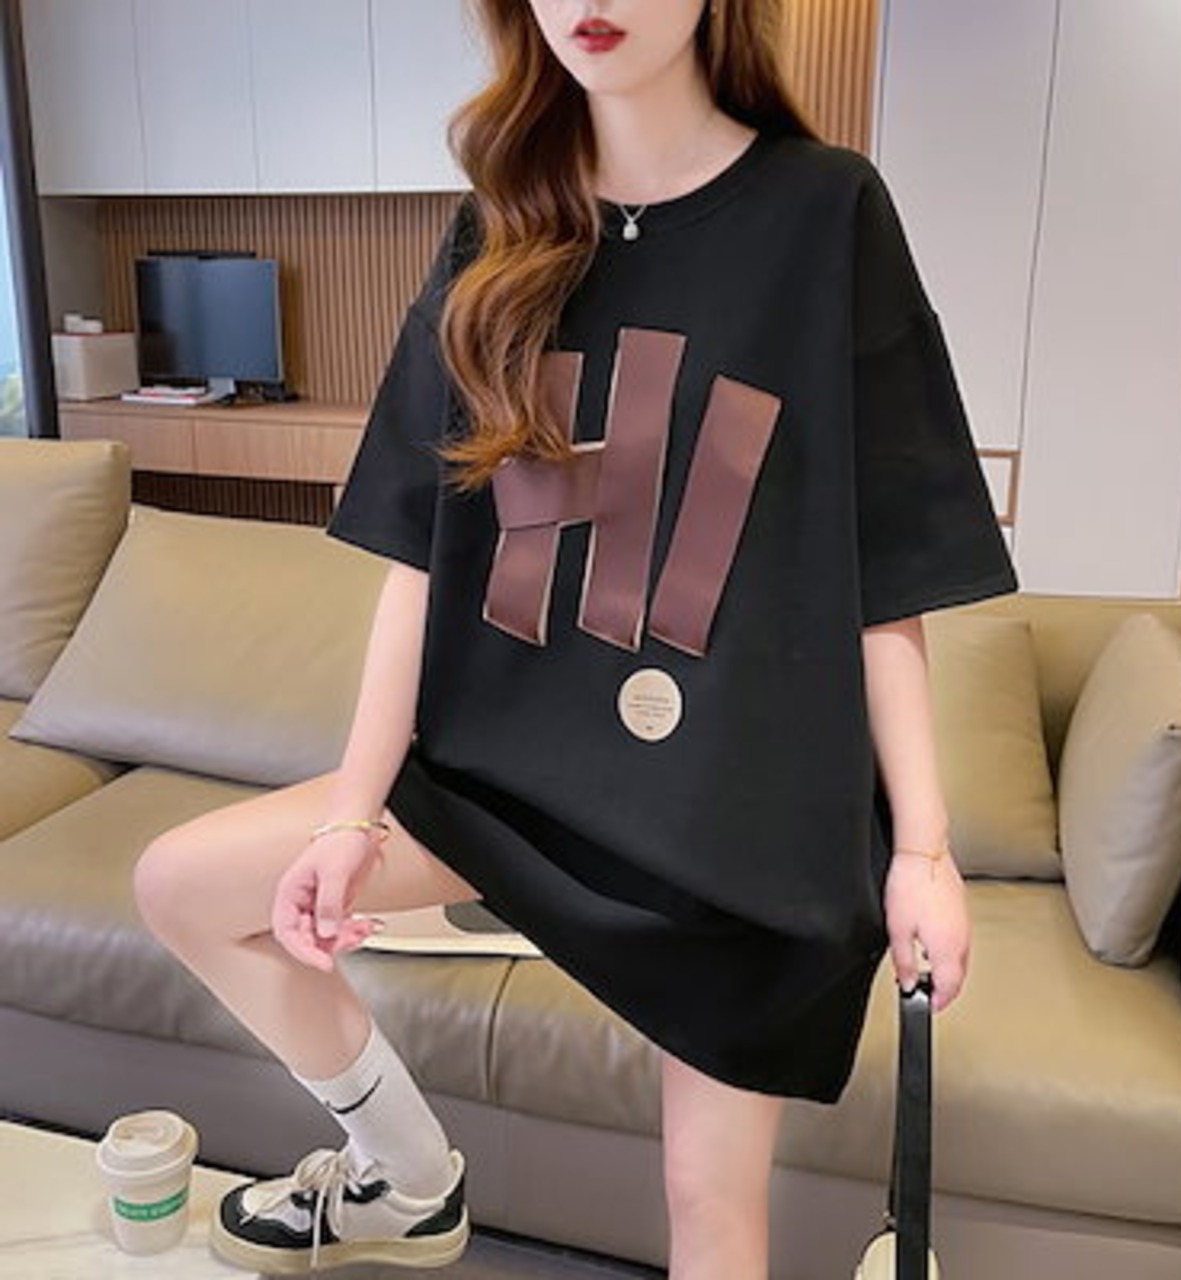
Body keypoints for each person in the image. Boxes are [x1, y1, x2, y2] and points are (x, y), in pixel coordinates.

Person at [133, 1, 1017, 1276]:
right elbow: (421, 558)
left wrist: (923, 848)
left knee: (709, 1205)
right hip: (507, 786)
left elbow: (885, 574)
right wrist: (350, 816)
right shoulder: (499, 224)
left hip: (734, 822)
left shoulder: (824, 213)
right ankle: (403, 1177)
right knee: (182, 883)